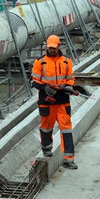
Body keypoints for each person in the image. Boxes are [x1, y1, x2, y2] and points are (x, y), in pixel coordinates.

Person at [31, 35, 79, 170]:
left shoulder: (66, 62)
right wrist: (45, 88)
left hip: (62, 100)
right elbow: (33, 81)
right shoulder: (40, 62)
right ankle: (46, 148)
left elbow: (70, 79)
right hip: (46, 100)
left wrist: (68, 87)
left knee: (66, 129)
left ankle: (69, 159)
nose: (52, 50)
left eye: (54, 47)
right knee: (46, 126)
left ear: (59, 46)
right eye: (50, 48)